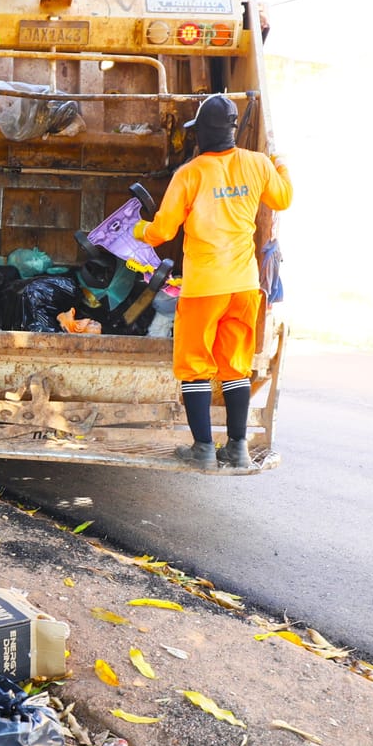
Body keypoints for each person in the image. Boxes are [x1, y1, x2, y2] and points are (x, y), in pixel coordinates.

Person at [134, 93, 292, 470]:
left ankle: (203, 448)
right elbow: (283, 199)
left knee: (195, 365)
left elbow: (162, 231)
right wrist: (281, 164)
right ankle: (237, 448)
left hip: (205, 287)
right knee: (235, 366)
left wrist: (139, 229)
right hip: (243, 286)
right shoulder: (257, 164)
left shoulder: (190, 173)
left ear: (202, 132)